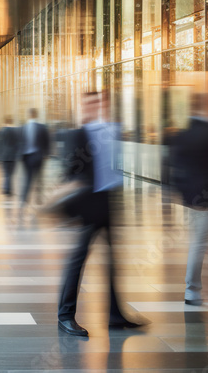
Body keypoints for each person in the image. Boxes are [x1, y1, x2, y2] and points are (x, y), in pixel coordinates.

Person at [57, 91, 143, 337]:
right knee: (77, 261)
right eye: (90, 103)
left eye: (100, 102)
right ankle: (65, 315)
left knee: (113, 262)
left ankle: (115, 315)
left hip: (108, 201)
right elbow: (71, 173)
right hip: (88, 206)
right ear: (82, 107)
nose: (96, 107)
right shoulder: (78, 134)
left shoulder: (112, 130)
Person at [168, 93, 208, 306]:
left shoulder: (183, 134)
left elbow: (173, 165)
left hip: (191, 198)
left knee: (202, 243)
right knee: (203, 244)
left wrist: (182, 192)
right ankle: (194, 291)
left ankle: (198, 290)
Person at [20, 108, 50, 208]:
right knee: (39, 178)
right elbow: (47, 142)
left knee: (28, 178)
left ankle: (24, 199)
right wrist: (46, 154)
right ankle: (39, 198)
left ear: (28, 115)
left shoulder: (23, 127)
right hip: (38, 156)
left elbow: (20, 143)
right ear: (36, 115)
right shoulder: (42, 127)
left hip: (27, 157)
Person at [0, 115, 20, 197]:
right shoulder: (16, 131)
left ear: (4, 122)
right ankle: (8, 189)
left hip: (3, 155)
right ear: (12, 121)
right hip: (13, 155)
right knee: (10, 174)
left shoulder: (1, 131)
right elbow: (18, 144)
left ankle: (6, 188)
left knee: (6, 173)